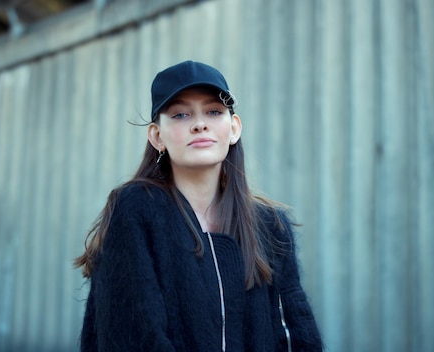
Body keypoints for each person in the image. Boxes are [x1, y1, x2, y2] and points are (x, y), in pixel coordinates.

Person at [75, 60, 322, 351]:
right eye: (180, 114)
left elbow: (298, 336)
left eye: (214, 111)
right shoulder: (135, 210)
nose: (199, 123)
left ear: (234, 128)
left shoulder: (271, 225)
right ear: (157, 136)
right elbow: (135, 337)